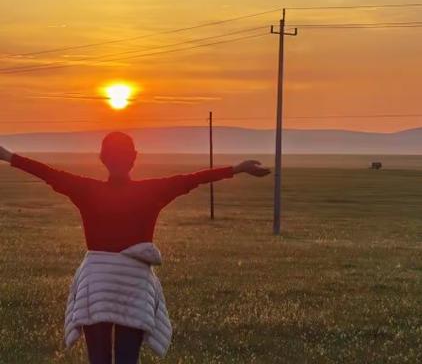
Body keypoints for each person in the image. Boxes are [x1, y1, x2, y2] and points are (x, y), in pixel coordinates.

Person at [0, 132, 270, 364]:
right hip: (135, 284)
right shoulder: (152, 191)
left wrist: (7, 155)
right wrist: (237, 168)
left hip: (97, 284)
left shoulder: (85, 189)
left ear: (101, 158)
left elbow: (46, 172)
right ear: (134, 157)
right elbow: (193, 179)